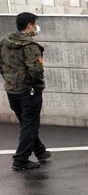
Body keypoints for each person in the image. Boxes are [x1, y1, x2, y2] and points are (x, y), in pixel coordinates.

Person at [1, 12, 50, 171]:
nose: (36, 27)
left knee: (26, 123)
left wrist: (9, 80)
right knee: (30, 124)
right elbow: (36, 70)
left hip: (11, 90)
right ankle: (20, 160)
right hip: (28, 91)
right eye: (35, 24)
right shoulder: (30, 46)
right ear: (29, 26)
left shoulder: (5, 41)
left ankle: (40, 151)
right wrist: (38, 87)